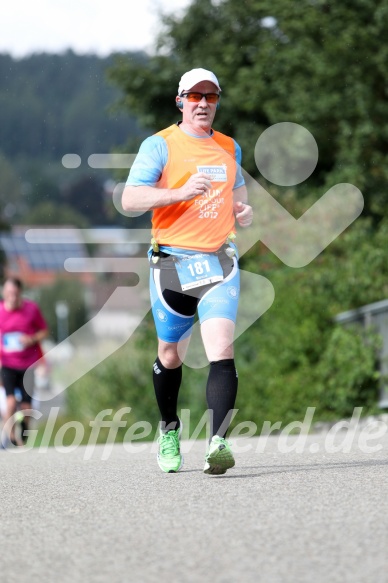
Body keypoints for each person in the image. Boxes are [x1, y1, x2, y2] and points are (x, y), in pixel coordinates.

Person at [122, 68, 252, 475]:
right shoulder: (159, 145)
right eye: (194, 97)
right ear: (180, 101)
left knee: (222, 350)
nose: (202, 104)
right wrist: (178, 192)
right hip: (172, 264)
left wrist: (243, 212)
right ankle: (169, 429)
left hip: (218, 261)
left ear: (217, 103)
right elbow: (129, 199)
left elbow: (239, 199)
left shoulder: (230, 148)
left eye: (210, 97)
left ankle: (218, 443)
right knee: (170, 355)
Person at [0, 277, 48, 448]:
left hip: (28, 365)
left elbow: (44, 331)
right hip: (7, 364)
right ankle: (11, 436)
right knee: (11, 402)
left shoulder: (31, 309)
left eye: (15, 293)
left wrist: (31, 339)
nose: (12, 296)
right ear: (4, 293)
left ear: (19, 293)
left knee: (26, 407)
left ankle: (25, 427)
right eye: (9, 293)